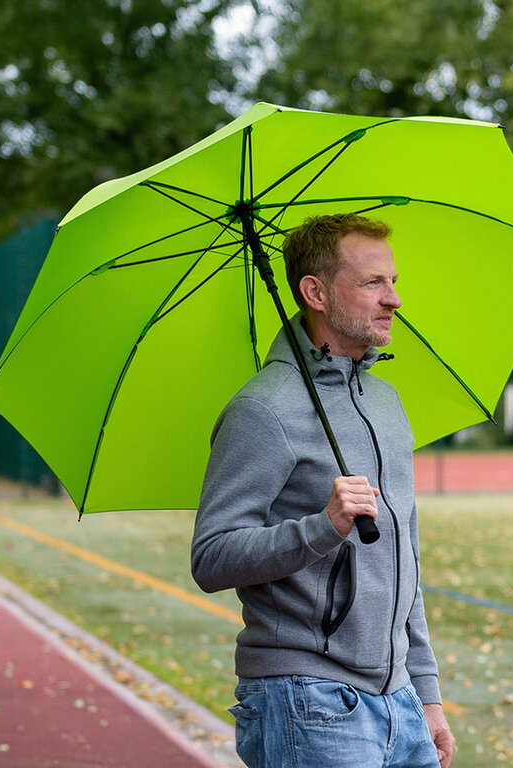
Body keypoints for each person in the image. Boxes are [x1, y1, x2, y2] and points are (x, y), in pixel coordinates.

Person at [191, 214, 455, 768]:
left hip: (399, 699)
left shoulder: (386, 404)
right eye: (372, 284)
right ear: (314, 291)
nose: (394, 300)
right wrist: (324, 526)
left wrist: (426, 692)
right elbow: (211, 558)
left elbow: (401, 554)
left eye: (393, 282)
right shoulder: (262, 410)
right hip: (306, 701)